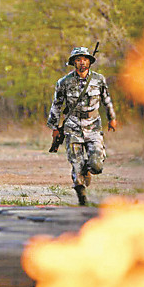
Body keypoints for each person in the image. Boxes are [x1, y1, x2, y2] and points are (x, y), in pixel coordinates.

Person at [47, 46, 117, 205]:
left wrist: (112, 118)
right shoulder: (64, 82)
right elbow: (56, 105)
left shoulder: (99, 80)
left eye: (84, 59)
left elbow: (106, 100)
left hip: (93, 126)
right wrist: (54, 128)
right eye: (78, 60)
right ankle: (81, 196)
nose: (82, 63)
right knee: (76, 163)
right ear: (73, 63)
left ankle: (88, 171)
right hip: (72, 127)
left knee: (97, 164)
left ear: (90, 62)